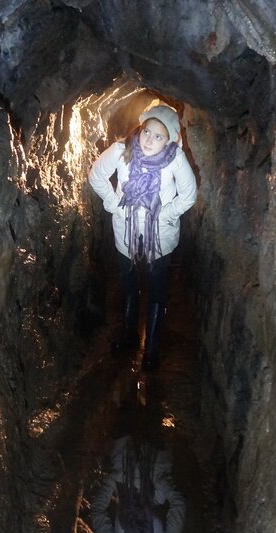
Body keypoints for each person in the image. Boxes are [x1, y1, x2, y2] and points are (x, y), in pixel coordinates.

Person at [88, 101, 198, 370]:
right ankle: (129, 336)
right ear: (141, 128)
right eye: (147, 131)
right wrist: (114, 203)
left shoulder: (175, 159)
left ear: (169, 140)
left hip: (159, 236)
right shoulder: (122, 150)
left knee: (157, 287)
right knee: (128, 283)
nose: (149, 140)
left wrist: (164, 214)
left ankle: (151, 349)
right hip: (125, 230)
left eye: (158, 136)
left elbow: (188, 195)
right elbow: (96, 176)